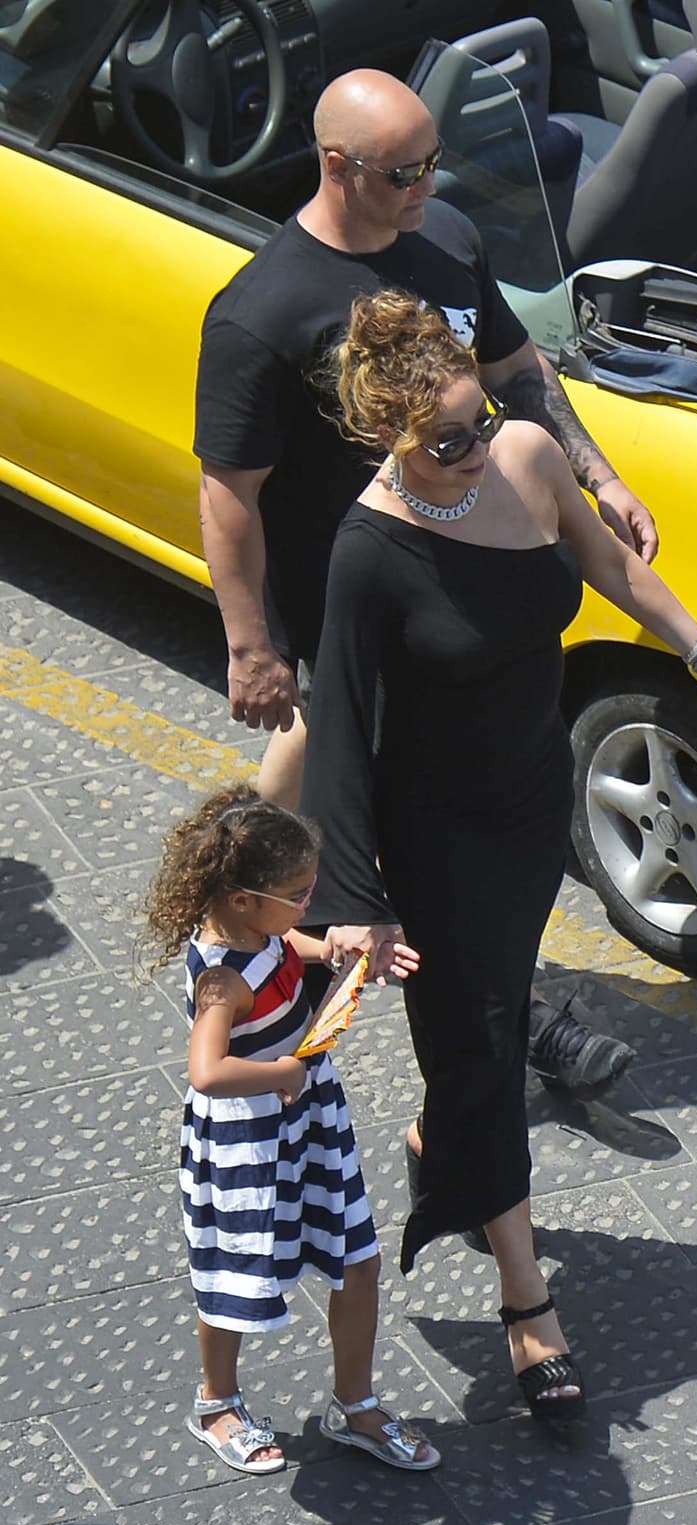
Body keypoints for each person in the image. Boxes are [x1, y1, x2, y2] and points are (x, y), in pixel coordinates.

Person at [299, 290, 697, 1424]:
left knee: (488, 1039)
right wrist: (357, 906)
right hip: (434, 834)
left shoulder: (523, 456)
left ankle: (443, 1140)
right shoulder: (368, 554)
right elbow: (341, 737)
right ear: (386, 433)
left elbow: (614, 571)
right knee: (479, 1047)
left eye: (477, 418)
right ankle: (528, 1303)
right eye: (446, 438)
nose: (473, 445)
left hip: (529, 809)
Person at [194, 66, 647, 1096]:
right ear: (336, 167)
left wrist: (598, 474)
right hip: (355, 597)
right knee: (410, 804)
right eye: (402, 173)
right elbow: (230, 492)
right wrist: (252, 644)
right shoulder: (264, 310)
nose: (425, 188)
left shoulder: (444, 242)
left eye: (434, 163)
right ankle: (501, 1014)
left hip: (461, 576)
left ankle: (247, 913)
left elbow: (516, 369)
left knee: (345, 783)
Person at [141, 784, 438, 1475]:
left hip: (309, 1116)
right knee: (233, 1275)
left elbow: (285, 948)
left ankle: (355, 1405)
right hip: (249, 1139)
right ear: (245, 900)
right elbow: (207, 1071)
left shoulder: (262, 933)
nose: (310, 902)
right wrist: (277, 1071)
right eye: (299, 894)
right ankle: (216, 1402)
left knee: (356, 1257)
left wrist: (328, 947)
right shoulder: (223, 976)